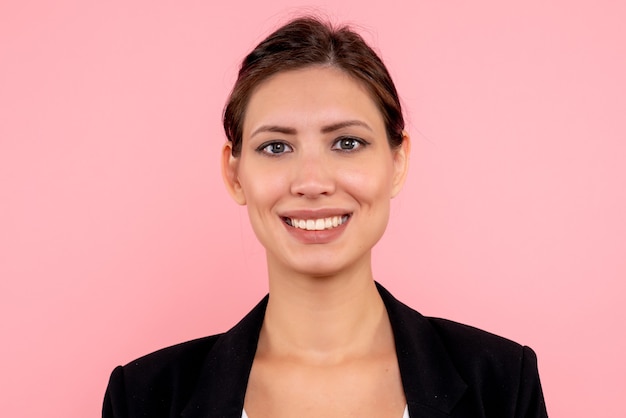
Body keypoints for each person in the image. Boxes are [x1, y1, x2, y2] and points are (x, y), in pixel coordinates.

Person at [103, 16, 548, 418]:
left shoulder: (503, 384)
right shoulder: (143, 396)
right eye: (276, 147)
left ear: (397, 163)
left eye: (347, 143)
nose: (311, 182)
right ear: (235, 175)